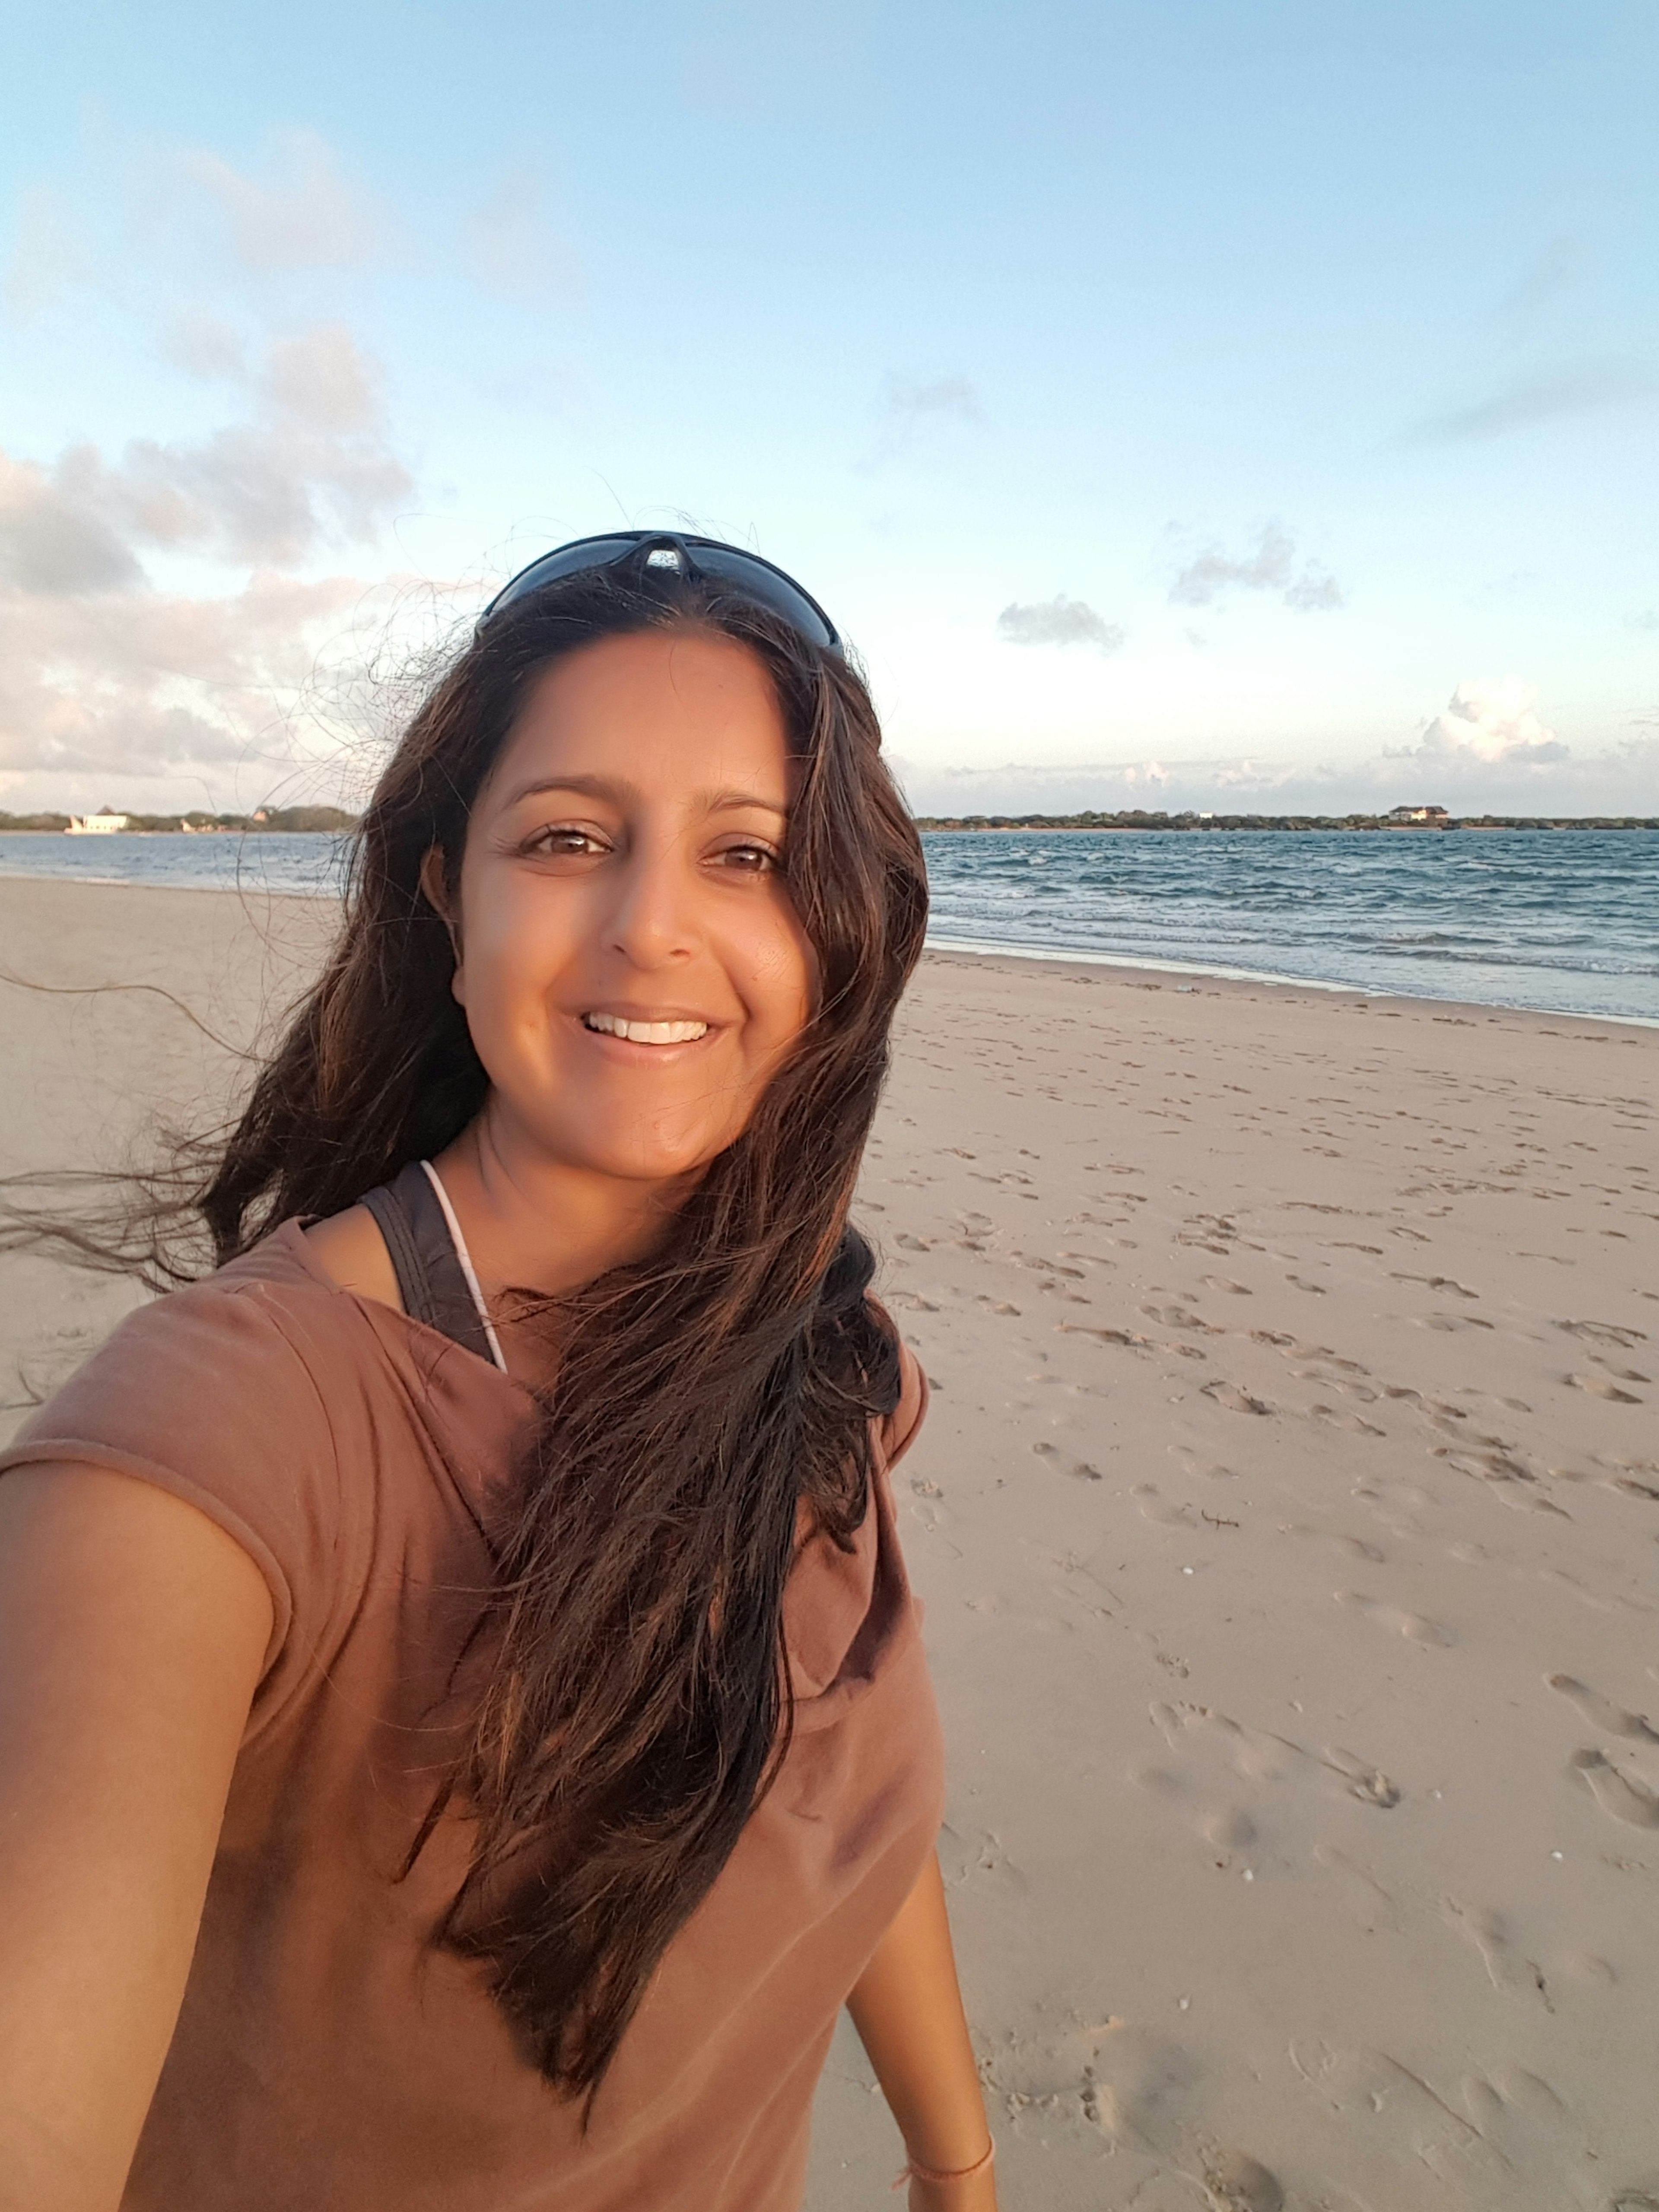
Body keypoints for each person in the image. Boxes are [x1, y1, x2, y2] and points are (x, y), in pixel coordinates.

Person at [0, 533, 999, 2212]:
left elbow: (835, 1774)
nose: (653, 925)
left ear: (836, 926)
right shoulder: (212, 1448)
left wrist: (953, 2158)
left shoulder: (828, 1352)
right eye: (569, 837)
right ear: (450, 895)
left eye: (747, 852)